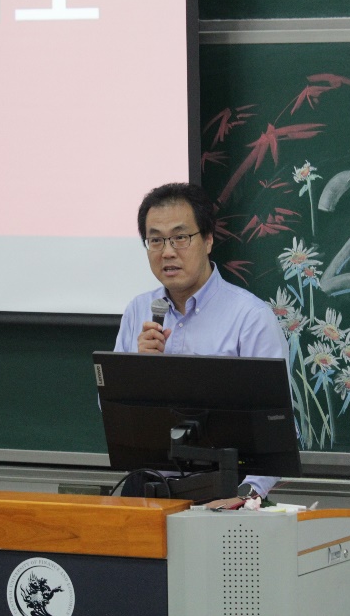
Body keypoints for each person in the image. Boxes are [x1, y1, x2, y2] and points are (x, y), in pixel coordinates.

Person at [113, 182, 288, 502]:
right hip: (147, 486)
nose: (167, 252)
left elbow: (278, 429)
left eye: (180, 237)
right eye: (155, 240)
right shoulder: (138, 310)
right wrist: (137, 372)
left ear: (208, 240)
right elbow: (111, 416)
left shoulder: (250, 318)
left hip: (223, 490)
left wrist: (247, 494)